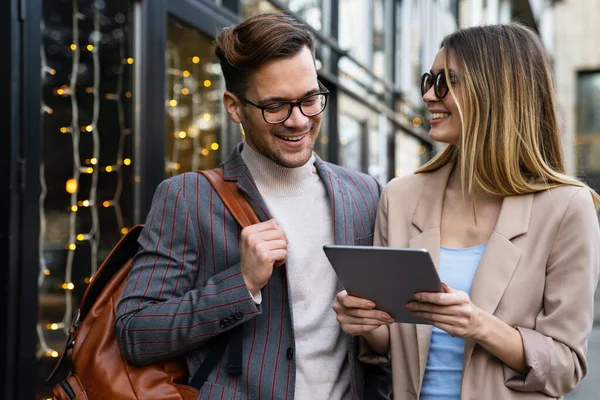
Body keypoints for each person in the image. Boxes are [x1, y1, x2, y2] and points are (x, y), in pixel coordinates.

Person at [115, 12, 389, 400]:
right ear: (233, 106)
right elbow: (135, 333)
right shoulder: (188, 198)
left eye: (310, 99)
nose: (298, 121)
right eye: (275, 106)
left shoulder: (365, 194)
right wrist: (241, 284)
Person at [334, 23, 600, 399]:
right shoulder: (400, 197)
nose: (428, 95)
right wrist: (365, 322)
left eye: (446, 81)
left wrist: (479, 326)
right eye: (429, 79)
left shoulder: (567, 207)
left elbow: (565, 366)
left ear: (496, 91)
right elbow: (391, 346)